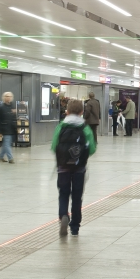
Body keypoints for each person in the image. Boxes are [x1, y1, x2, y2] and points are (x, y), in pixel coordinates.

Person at [51, 99, 97, 237]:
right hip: (79, 168)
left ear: (67, 111)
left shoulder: (61, 126)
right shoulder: (85, 128)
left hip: (63, 167)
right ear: (82, 112)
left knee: (63, 193)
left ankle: (64, 215)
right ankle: (75, 226)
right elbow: (92, 149)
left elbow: (54, 146)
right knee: (77, 196)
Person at [0, 92, 17, 163]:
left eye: (10, 96)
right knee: (7, 144)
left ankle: (0, 157)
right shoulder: (1, 107)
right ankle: (10, 158)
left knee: (6, 143)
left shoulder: (13, 106)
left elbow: (14, 117)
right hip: (5, 128)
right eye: (7, 96)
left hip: (12, 128)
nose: (9, 97)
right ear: (4, 97)